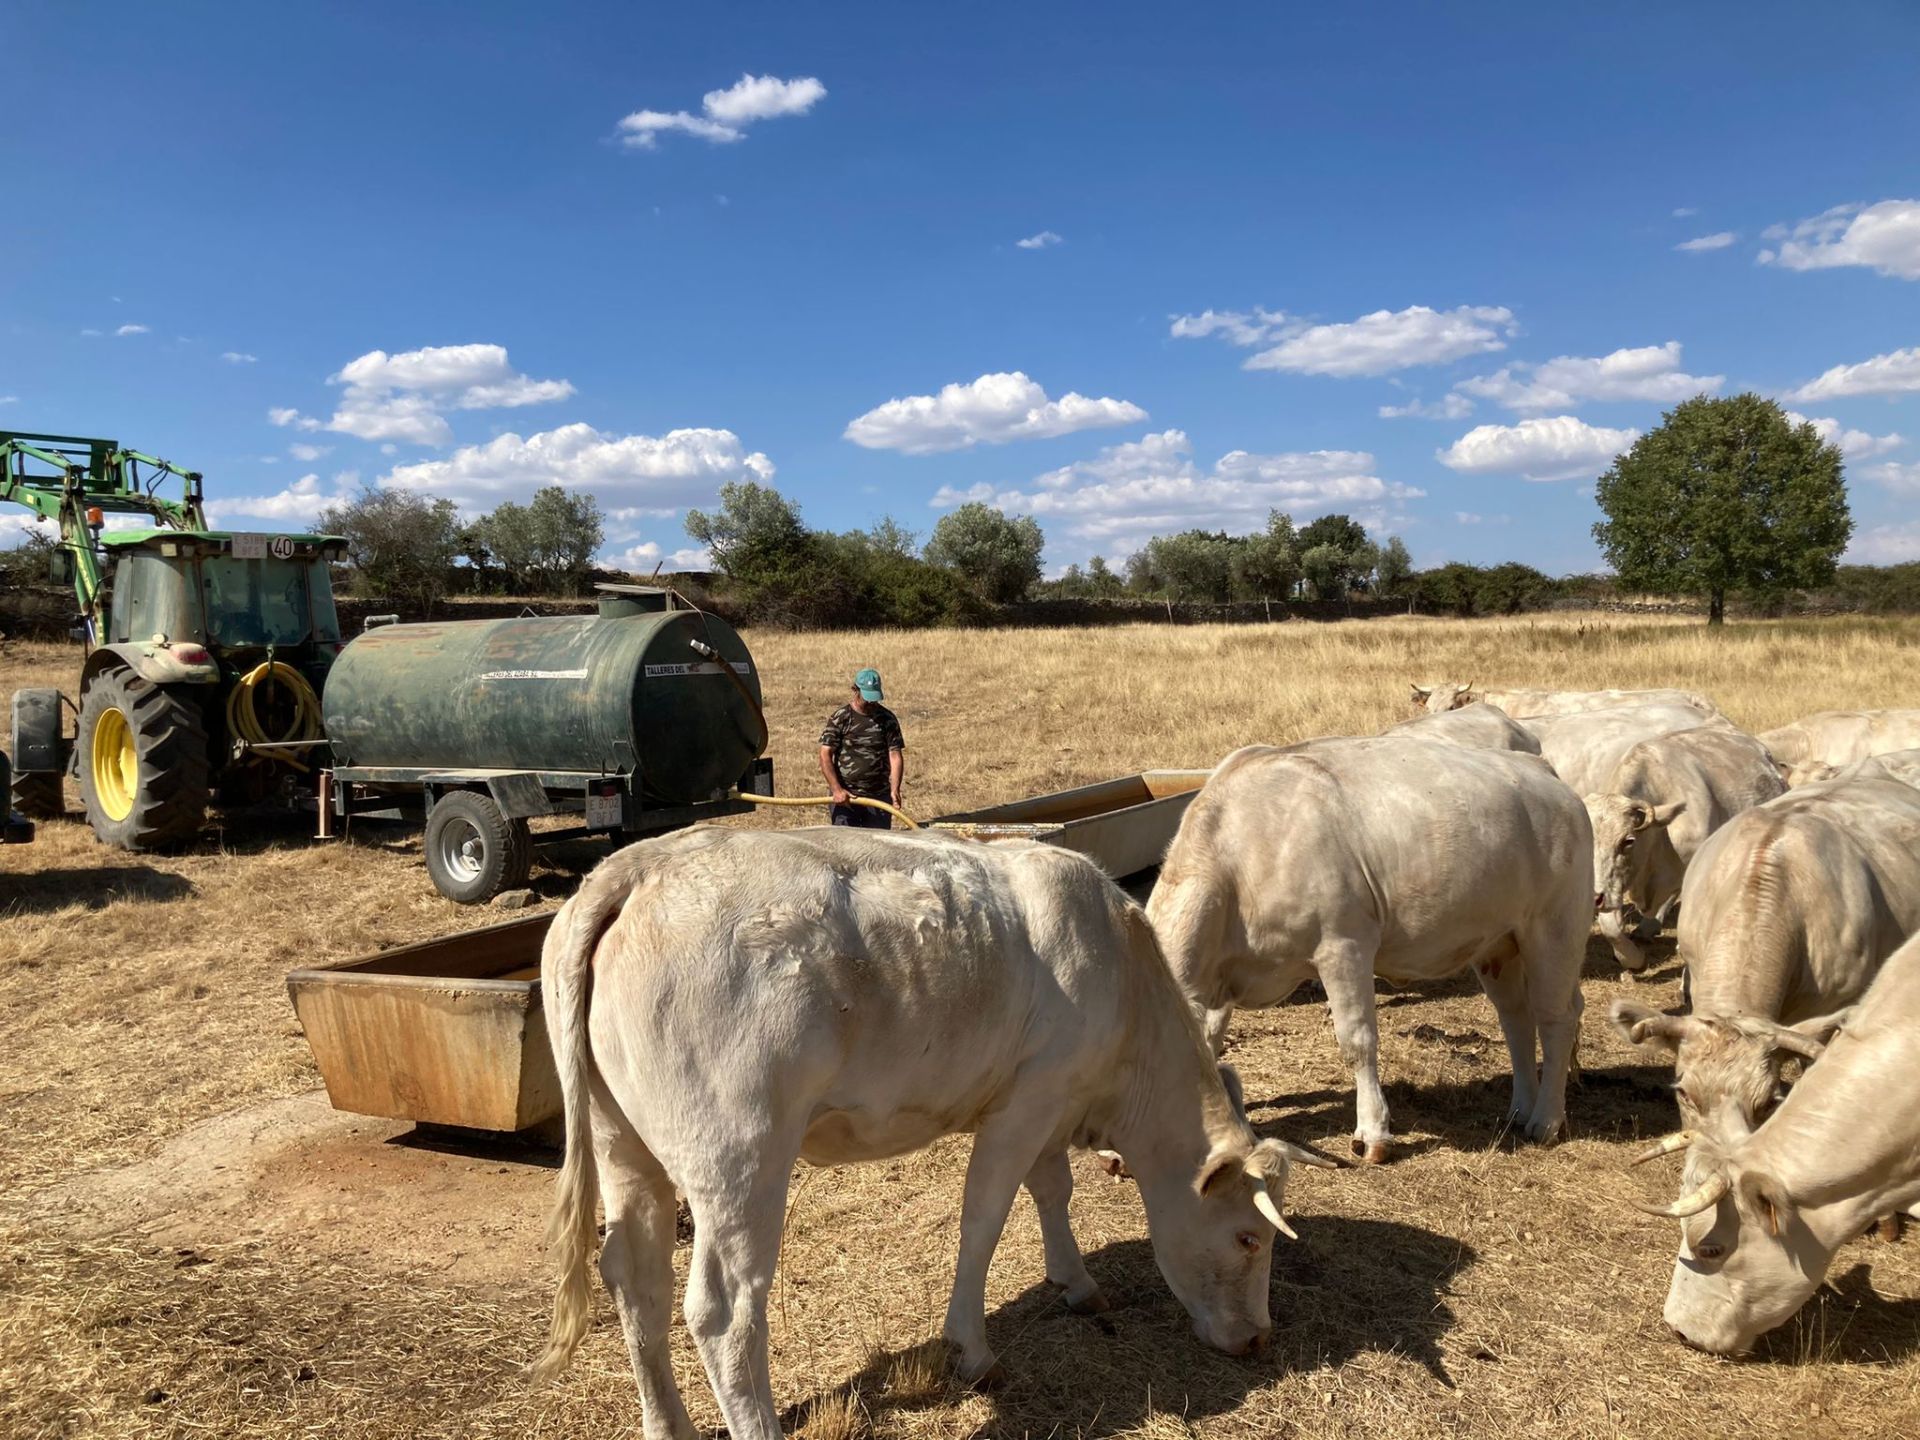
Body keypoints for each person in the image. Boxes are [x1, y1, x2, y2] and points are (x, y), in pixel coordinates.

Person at [818, 667, 906, 829]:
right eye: (867, 698)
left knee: (877, 847)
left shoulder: (887, 719)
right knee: (846, 848)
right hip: (847, 798)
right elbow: (825, 755)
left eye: (874, 698)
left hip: (878, 798)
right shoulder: (841, 718)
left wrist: (895, 790)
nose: (872, 703)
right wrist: (836, 789)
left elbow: (894, 755)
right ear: (855, 690)